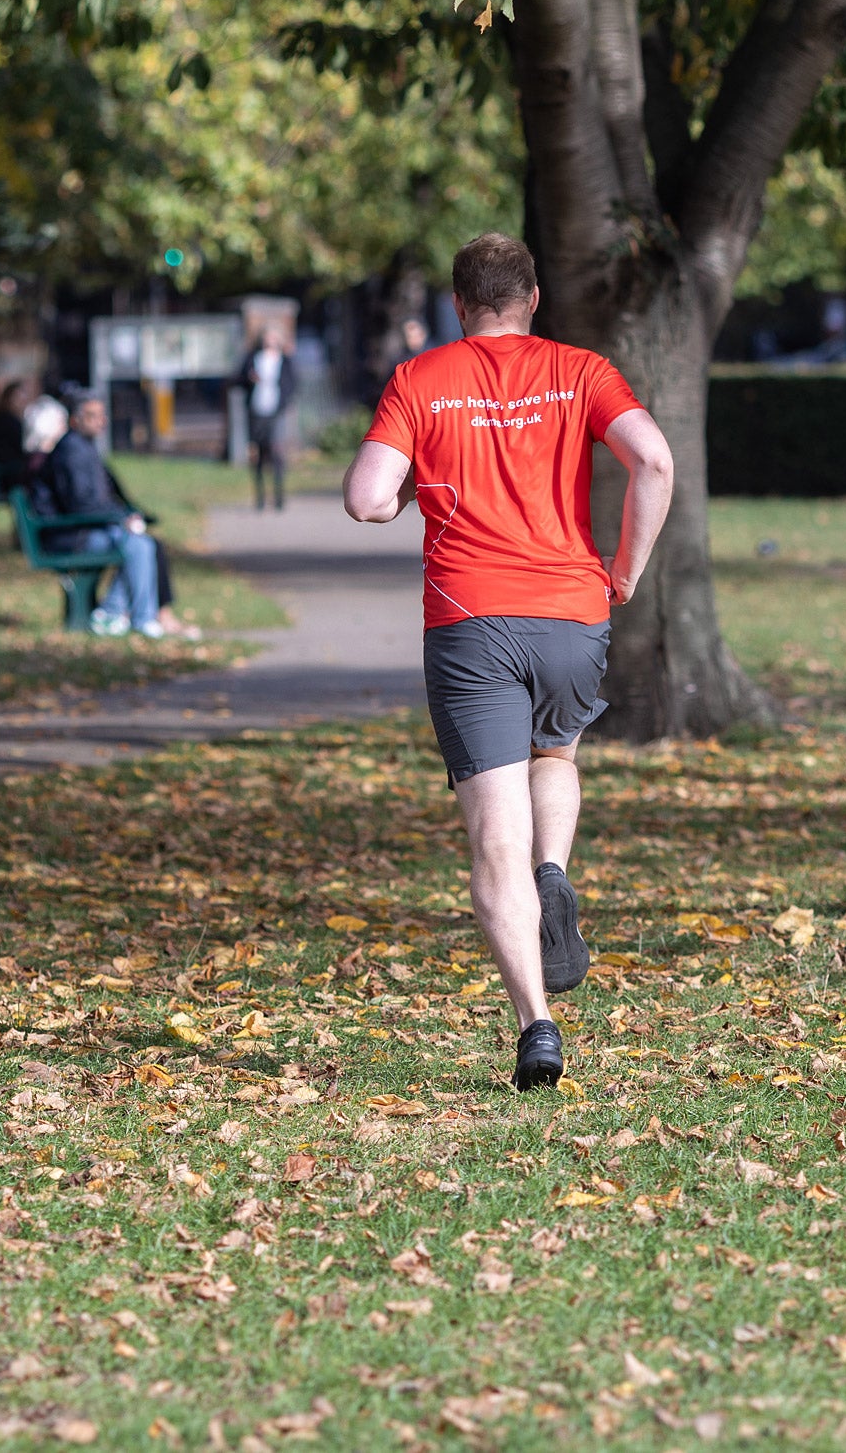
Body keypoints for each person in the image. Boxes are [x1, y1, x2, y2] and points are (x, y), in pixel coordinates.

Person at [342, 232, 675, 1092]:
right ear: (532, 298)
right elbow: (654, 460)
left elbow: (366, 499)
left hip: (468, 620)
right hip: (573, 610)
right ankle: (554, 870)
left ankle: (537, 1023)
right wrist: (625, 572)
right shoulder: (582, 370)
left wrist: (419, 487)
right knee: (556, 754)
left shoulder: (422, 379)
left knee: (494, 833)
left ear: (459, 305)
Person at [23, 395, 163, 638]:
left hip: (81, 529)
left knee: (141, 544)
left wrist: (125, 515)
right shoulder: (71, 451)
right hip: (68, 535)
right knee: (138, 546)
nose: (101, 421)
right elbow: (80, 504)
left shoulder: (82, 447)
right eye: (93, 416)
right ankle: (134, 617)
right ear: (76, 420)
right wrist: (121, 518)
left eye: (102, 415)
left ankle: (114, 611)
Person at [234, 324, 298, 509]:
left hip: (276, 413)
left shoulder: (284, 361)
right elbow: (238, 380)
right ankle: (260, 498)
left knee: (277, 453)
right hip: (256, 412)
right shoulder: (253, 358)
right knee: (258, 455)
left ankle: (279, 497)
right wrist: (249, 378)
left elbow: (292, 384)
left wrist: (283, 402)